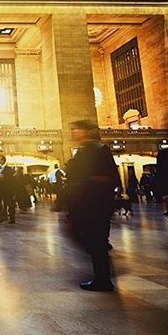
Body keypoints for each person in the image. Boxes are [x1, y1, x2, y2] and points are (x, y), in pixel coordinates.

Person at [66, 120, 120, 292]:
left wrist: (87, 181)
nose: (73, 133)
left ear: (88, 131)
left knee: (95, 240)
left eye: (77, 130)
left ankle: (103, 279)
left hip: (95, 205)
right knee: (93, 240)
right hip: (87, 204)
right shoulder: (85, 151)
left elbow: (109, 178)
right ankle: (103, 274)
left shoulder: (99, 150)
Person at [0, 155, 16, 224]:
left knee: (10, 204)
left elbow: (7, 179)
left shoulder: (7, 169)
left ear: (3, 160)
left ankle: (12, 218)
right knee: (5, 203)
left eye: (0, 160)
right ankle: (5, 216)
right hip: (3, 190)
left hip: (7, 189)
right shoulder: (1, 168)